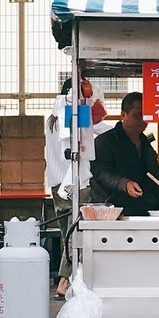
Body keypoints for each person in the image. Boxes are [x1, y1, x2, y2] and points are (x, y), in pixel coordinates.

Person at [90, 91, 159, 318]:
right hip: (113, 219)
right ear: (123, 114)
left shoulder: (146, 144)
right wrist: (124, 184)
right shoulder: (105, 141)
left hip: (143, 219)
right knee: (111, 280)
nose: (143, 120)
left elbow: (154, 180)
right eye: (137, 115)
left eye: (146, 116)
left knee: (143, 280)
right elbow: (100, 173)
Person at [45, 77, 110, 298]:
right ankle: (64, 282)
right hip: (75, 184)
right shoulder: (74, 115)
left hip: (56, 186)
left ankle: (69, 279)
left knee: (67, 236)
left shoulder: (51, 120)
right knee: (77, 236)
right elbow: (102, 129)